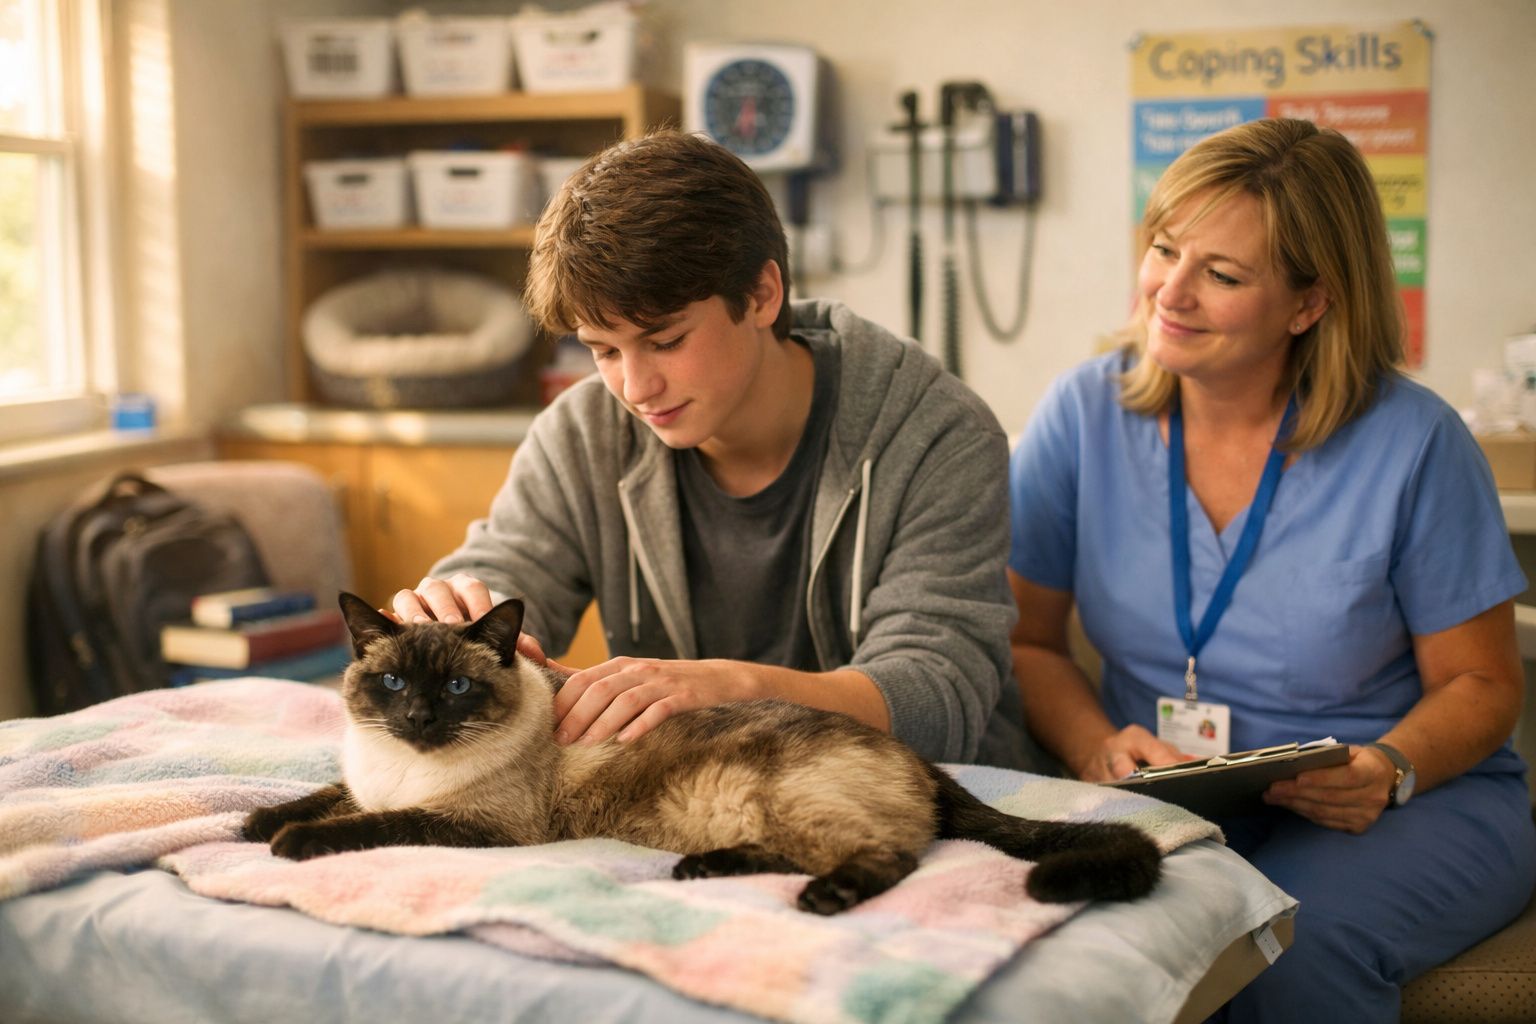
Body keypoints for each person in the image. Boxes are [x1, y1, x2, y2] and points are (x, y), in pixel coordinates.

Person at [1008, 117, 1535, 1021]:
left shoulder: (1415, 442)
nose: (1170, 292)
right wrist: (1095, 744)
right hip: (1172, 796)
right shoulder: (1082, 415)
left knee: (1290, 950)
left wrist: (1390, 766)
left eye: (1222, 274)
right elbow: (1027, 642)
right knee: (1067, 945)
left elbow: (1483, 684)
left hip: (1398, 802)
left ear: (1309, 304)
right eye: (1164, 249)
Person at [391, 128, 1032, 769]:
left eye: (665, 341)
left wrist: (738, 690)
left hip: (927, 792)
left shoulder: (938, 432)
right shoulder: (583, 433)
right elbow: (509, 569)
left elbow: (938, 699)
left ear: (761, 295)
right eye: (603, 351)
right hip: (710, 796)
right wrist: (456, 619)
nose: (635, 388)